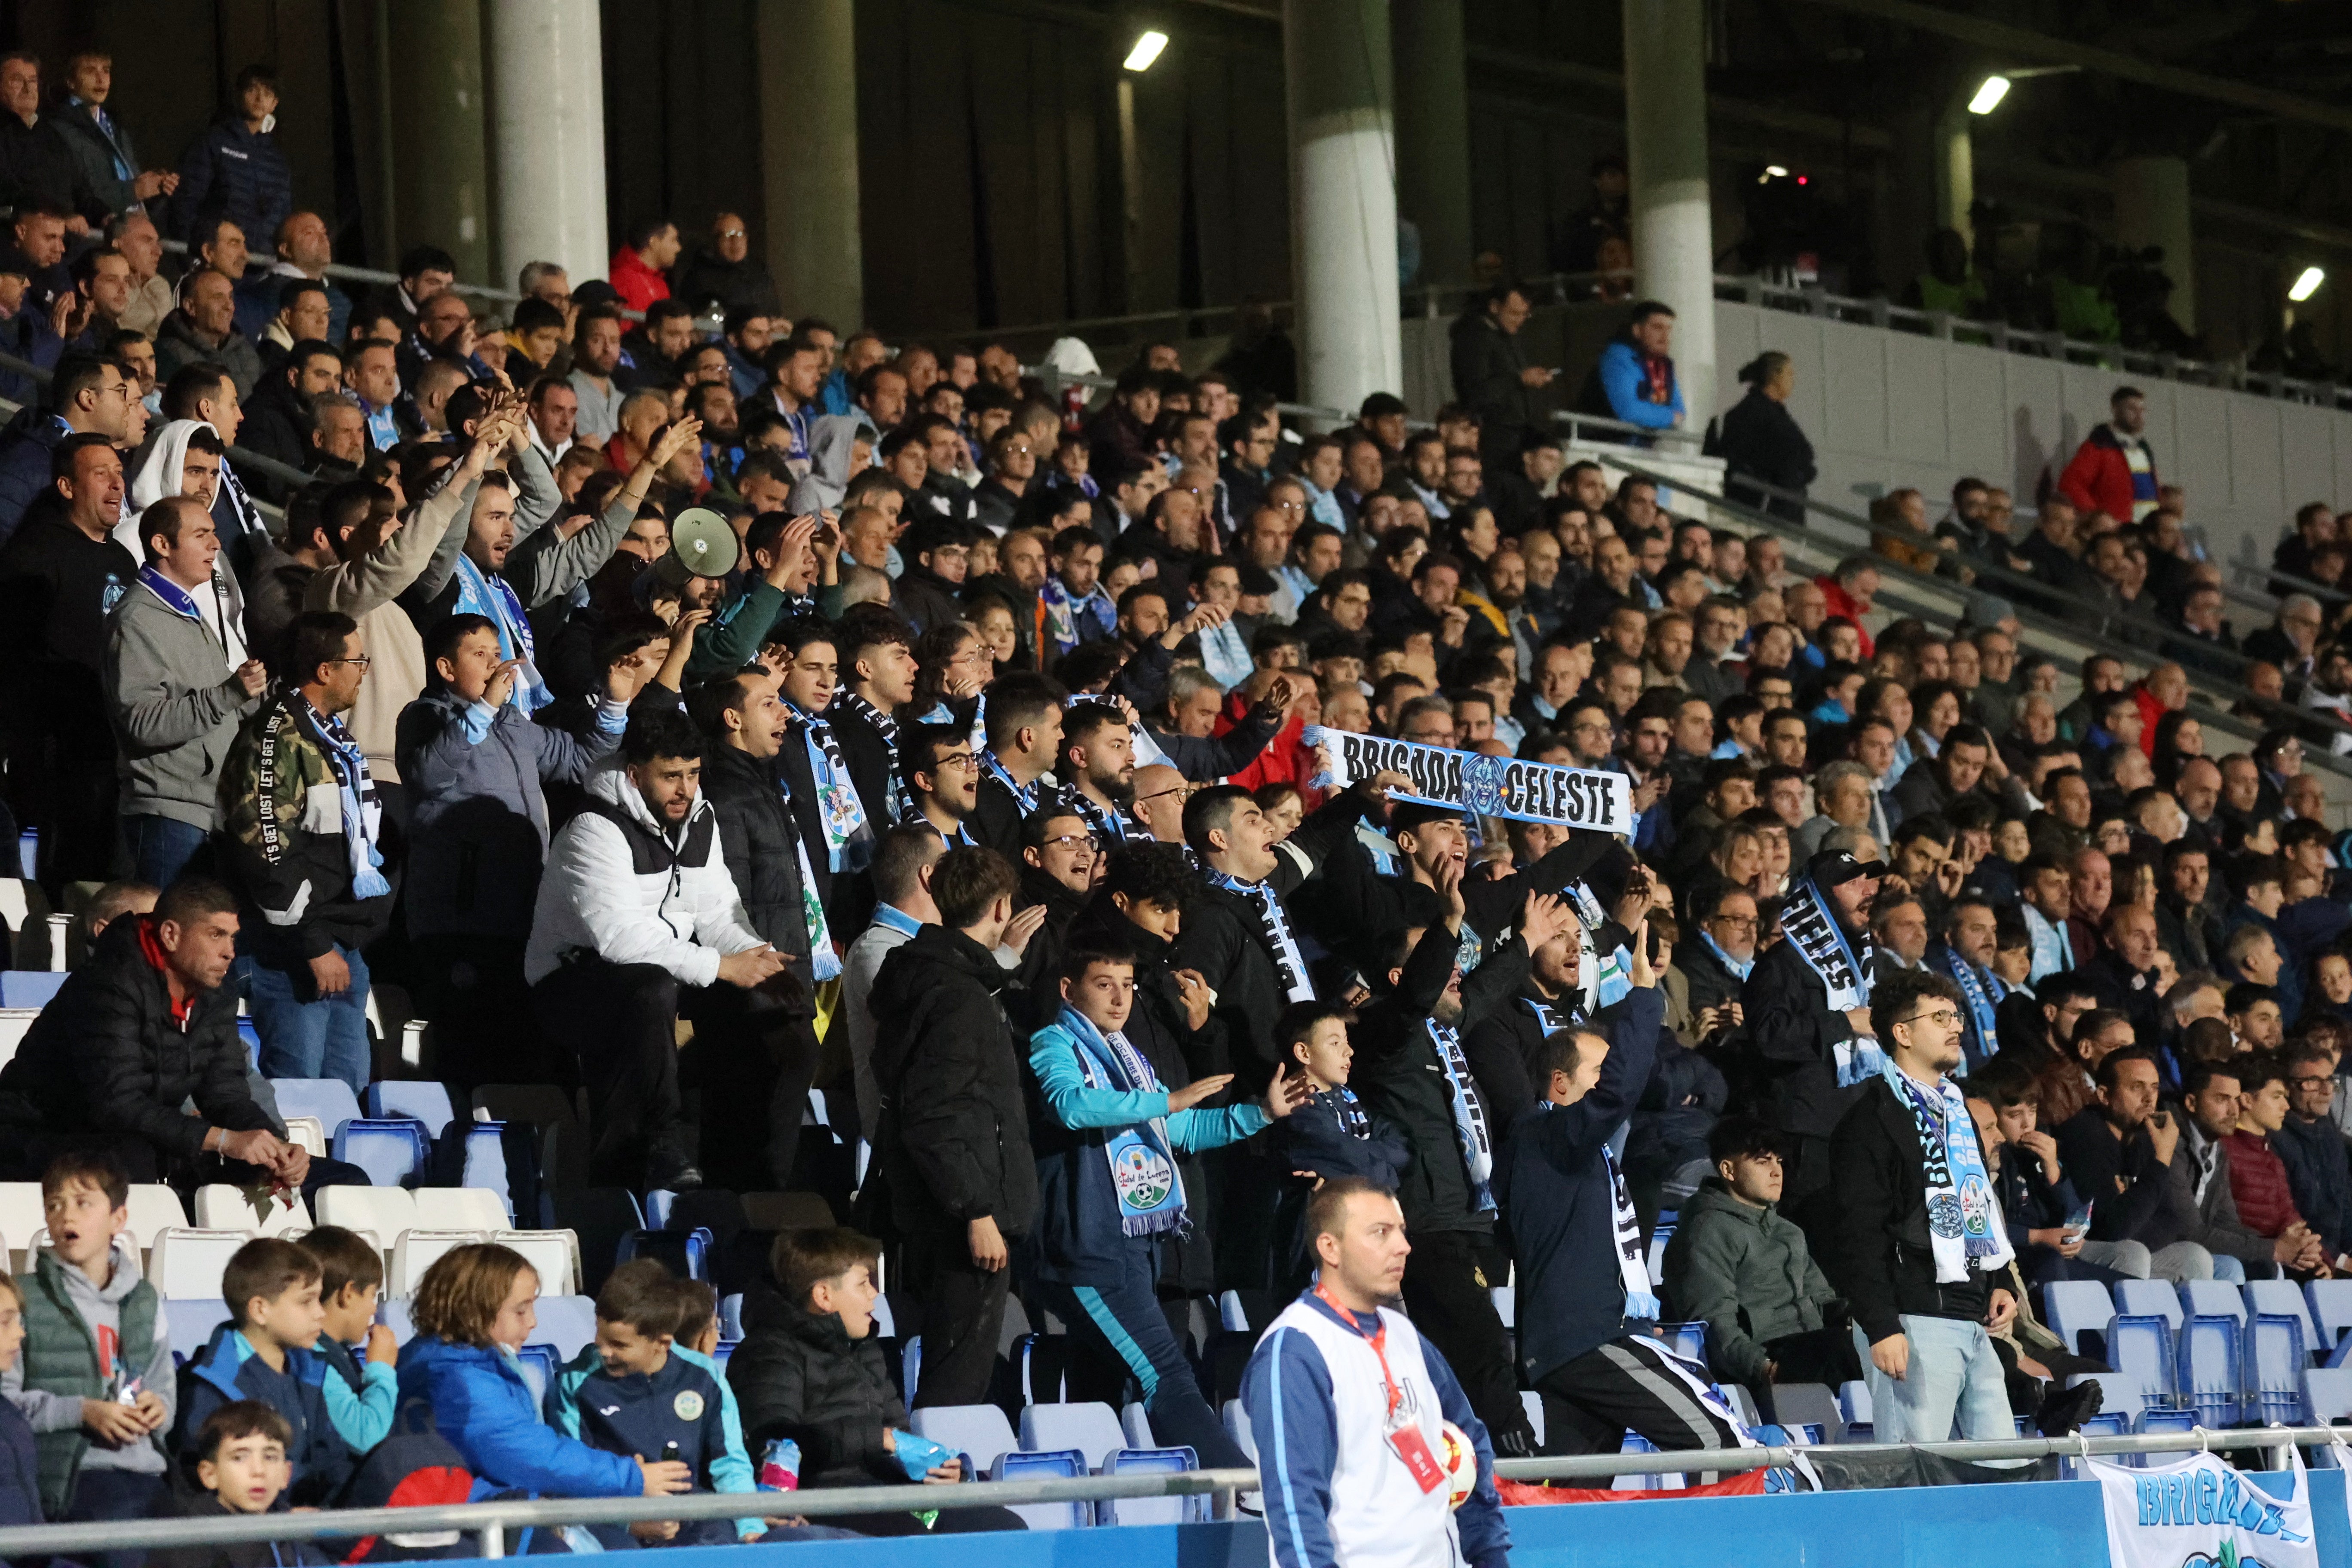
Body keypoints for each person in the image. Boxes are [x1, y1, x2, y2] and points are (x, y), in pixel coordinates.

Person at [1028, 943, 1298, 1466]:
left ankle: (1106, 1519)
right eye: (1104, 984)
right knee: (1166, 1375)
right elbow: (1070, 1105)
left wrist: (1262, 1113)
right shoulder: (1052, 1043)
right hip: (1088, 1248)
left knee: (1102, 1387)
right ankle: (1241, 1484)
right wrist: (1166, 1100)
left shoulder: (1130, 1059)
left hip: (1136, 1246)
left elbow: (1183, 1130)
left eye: (1127, 986)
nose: (1119, 998)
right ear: (1069, 990)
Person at [1499, 917, 1744, 1456]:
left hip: (1576, 1343)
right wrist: (1642, 997)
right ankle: (1732, 1543)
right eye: (1598, 1072)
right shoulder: (1543, 1134)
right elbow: (1620, 1091)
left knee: (1577, 1488)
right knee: (1721, 1440)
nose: (1611, 1083)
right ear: (1560, 1084)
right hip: (1586, 1339)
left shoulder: (1579, 1149)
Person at [523, 707, 786, 1192]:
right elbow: (619, 941)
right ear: (634, 773)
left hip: (658, 974)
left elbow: (715, 911)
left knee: (762, 1005)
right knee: (649, 990)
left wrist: (758, 957)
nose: (685, 789)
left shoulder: (696, 817)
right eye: (671, 776)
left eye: (692, 774)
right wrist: (722, 966)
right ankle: (656, 1143)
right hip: (570, 981)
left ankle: (743, 1172)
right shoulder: (594, 828)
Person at [398, 612, 639, 1087]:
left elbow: (581, 762)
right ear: (447, 669)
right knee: (467, 1056)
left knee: (521, 1060)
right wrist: (484, 711)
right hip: (461, 924)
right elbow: (429, 774)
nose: (495, 664)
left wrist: (615, 702)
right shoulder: (425, 716)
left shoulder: (515, 725)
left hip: (523, 920)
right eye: (479, 654)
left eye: (497, 652)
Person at [1240, 1179, 1512, 1568]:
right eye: (1381, 1233)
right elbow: (1295, 1507)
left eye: (1400, 1230)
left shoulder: (1404, 1334)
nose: (1403, 1246)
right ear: (1329, 1248)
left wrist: (1490, 1555)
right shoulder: (1296, 1350)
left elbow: (1471, 1443)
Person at [0, 878, 322, 1194]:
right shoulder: (108, 984)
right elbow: (116, 1103)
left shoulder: (216, 994)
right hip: (38, 1136)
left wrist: (275, 1146)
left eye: (233, 938)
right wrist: (222, 1139)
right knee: (140, 1161)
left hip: (136, 1138)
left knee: (327, 1175)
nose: (229, 953)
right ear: (170, 935)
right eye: (216, 935)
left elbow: (227, 1095)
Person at [867, 845, 1035, 1407]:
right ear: (1001, 908)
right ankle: (933, 1497)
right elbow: (939, 1114)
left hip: (933, 1207)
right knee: (957, 1378)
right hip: (963, 1219)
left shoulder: (928, 978)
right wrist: (977, 1212)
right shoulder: (958, 996)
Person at [1822, 969, 2018, 1443]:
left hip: (1972, 1319)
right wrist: (1882, 1326)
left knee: (2004, 1471)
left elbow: (1980, 1206)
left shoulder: (1958, 1111)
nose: (1955, 1026)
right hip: (1913, 1321)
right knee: (1917, 1477)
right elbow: (1857, 1234)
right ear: (1902, 1033)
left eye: (1956, 1015)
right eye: (1939, 1017)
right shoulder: (1869, 1121)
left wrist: (2000, 1279)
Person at [726, 1228, 1023, 1534]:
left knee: (1004, 1527)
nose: (875, 1295)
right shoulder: (769, 1352)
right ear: (824, 1296)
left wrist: (933, 1471)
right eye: (863, 1284)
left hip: (887, 1492)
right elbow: (774, 1442)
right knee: (922, 1538)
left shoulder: (866, 1349)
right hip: (826, 1502)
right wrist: (876, 1438)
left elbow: (899, 1435)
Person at [217, 611, 390, 1090]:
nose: (365, 671)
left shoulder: (333, 738)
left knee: (345, 1097)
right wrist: (313, 944)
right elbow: (266, 852)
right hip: (292, 951)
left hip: (343, 941)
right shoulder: (275, 738)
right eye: (358, 660)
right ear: (325, 670)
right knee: (301, 1095)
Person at [396, 1243, 692, 1510]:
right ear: (474, 1312)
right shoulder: (459, 1382)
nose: (534, 1322)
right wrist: (633, 1478)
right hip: (476, 1527)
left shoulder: (463, 1365)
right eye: (521, 1311)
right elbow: (526, 1456)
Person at [687, 671, 828, 1191]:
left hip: (778, 991)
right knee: (746, 1150)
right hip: (751, 1002)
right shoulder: (725, 793)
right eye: (769, 703)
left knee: (770, 1144)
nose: (785, 713)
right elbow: (725, 905)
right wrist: (763, 980)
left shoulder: (759, 785)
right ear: (733, 718)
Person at [2, 1151, 175, 1527]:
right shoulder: (23, 1299)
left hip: (148, 1471)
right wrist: (84, 1411)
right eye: (54, 1205)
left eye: (83, 1203)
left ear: (118, 1218)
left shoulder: (143, 1299)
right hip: (74, 1477)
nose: (67, 1215)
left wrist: (156, 1409)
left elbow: (163, 1389)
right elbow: (6, 1406)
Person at [106, 494, 267, 888]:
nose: (216, 544)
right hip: (168, 815)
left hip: (209, 812)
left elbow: (221, 706)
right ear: (162, 545)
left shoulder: (188, 613)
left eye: (215, 533)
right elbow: (142, 722)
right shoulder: (138, 618)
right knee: (166, 941)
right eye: (201, 535)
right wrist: (230, 694)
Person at [547, 1259, 764, 1546]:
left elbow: (729, 1464)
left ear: (661, 1343)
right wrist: (628, 1523)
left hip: (691, 1516)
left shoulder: (703, 1375)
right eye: (601, 1338)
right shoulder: (577, 1383)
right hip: (613, 1517)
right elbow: (573, 1476)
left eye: (620, 1345)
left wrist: (750, 1525)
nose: (604, 1352)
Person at [1660, 1115, 1857, 1424]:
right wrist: (1763, 1368)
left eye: (1778, 1161)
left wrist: (1857, 1318)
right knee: (1848, 1351)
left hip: (1815, 1347)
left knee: (1887, 1337)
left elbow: (1823, 1298)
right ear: (1729, 1170)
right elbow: (1712, 1321)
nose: (1777, 1171)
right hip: (1769, 1355)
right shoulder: (1706, 1230)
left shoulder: (1790, 1232)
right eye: (1763, 1162)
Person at [1736, 848, 1883, 1226]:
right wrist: (1842, 1023)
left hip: (1857, 1132)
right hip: (1804, 1138)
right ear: (1816, 899)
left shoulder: (1864, 967)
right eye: (1853, 884)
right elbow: (1769, 1037)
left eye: (1867, 882)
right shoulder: (1782, 964)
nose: (1868, 892)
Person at [172, 1238, 355, 1506]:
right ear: (260, 1310)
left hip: (310, 1528)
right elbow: (204, 1489)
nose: (321, 1314)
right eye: (306, 1302)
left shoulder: (311, 1369)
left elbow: (331, 1461)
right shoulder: (213, 1385)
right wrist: (285, 1519)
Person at [2054, 1048, 2217, 1283]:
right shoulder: (2085, 1136)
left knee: (2194, 1257)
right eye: (2136, 1088)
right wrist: (2161, 1159)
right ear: (2104, 1095)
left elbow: (2174, 1222)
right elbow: (2113, 1229)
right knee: (2132, 1253)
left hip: (2130, 1245)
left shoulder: (2143, 1136)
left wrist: (2132, 1202)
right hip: (2075, 1250)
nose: (2149, 1098)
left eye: (2154, 1087)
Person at [147, 1400, 332, 1568]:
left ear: (286, 1474)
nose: (259, 1471)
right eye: (239, 1458)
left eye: (270, 1456)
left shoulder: (293, 1529)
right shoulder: (190, 1544)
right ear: (210, 1475)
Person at [294, 1226, 395, 1457]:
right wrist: (382, 1370)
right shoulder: (312, 1361)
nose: (373, 1308)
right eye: (372, 1296)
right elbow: (366, 1438)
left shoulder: (332, 1352)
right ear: (348, 1294)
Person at [172, 65, 290, 253]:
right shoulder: (214, 141)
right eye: (252, 90)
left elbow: (283, 216)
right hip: (219, 261)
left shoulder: (277, 161)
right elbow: (188, 201)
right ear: (239, 95)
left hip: (263, 267)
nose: (259, 99)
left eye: (267, 93)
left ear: (275, 103)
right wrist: (193, 256)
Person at [1710, 352, 1813, 521]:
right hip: (1765, 507)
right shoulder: (1752, 413)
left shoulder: (1774, 412)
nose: (1793, 380)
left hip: (1783, 504)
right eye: (1790, 373)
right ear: (1775, 376)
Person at [1575, 299, 1683, 438]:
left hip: (1639, 449)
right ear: (1637, 330)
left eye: (1669, 329)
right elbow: (1628, 411)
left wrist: (1652, 415)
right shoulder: (1617, 358)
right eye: (1658, 328)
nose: (1665, 337)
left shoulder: (1663, 366)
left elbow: (1680, 412)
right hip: (1600, 446)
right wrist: (1668, 417)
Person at [2057, 386, 2158, 524]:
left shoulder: (2143, 448)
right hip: (2118, 534)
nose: (2139, 416)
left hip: (2144, 533)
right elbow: (2071, 483)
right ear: (2116, 410)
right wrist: (2097, 517)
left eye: (2142, 410)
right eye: (2132, 409)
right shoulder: (2099, 446)